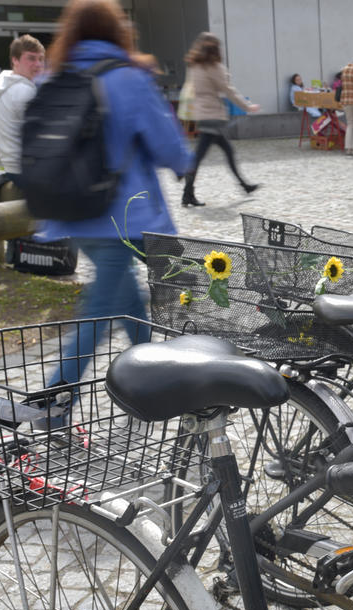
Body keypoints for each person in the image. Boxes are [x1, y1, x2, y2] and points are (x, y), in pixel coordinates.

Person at [38, 0, 191, 387]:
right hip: (120, 218)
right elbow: (170, 149)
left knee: (127, 301)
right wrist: (184, 162)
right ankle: (54, 401)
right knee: (100, 308)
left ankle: (153, 379)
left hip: (70, 211)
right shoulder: (129, 77)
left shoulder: (55, 77)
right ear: (118, 31)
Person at [180, 32, 260, 207]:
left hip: (202, 115)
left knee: (224, 152)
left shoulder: (194, 65)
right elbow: (228, 90)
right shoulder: (214, 67)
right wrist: (247, 106)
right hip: (214, 116)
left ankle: (244, 185)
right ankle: (187, 192)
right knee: (200, 157)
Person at [0, 34, 45, 181]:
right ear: (15, 60)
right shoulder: (24, 91)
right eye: (31, 58)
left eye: (41, 59)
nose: (38, 64)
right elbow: (41, 136)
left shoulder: (3, 85)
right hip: (27, 172)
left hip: (11, 168)